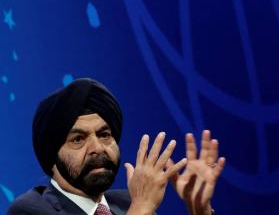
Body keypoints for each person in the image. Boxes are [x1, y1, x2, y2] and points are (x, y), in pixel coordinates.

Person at [6, 78, 225, 215]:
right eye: (78, 140)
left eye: (104, 135)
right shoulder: (29, 210)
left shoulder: (124, 204)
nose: (97, 148)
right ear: (51, 159)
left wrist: (200, 209)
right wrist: (141, 209)